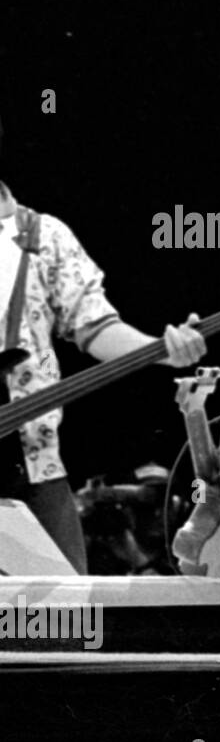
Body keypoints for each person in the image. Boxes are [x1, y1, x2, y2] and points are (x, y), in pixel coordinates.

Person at [0, 119, 207, 573]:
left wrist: (160, 350)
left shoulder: (44, 238)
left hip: (31, 468)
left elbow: (93, 326)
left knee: (62, 624)